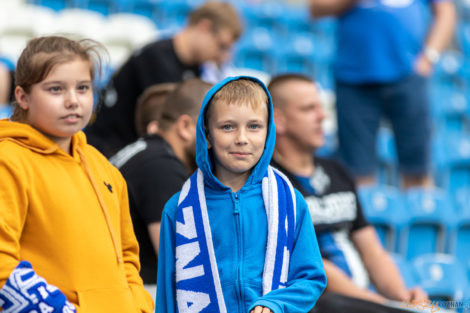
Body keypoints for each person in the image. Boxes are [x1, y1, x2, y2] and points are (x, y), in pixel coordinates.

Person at [0, 36, 153, 313]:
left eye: (83, 88)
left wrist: (138, 306)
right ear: (22, 96)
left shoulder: (104, 167)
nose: (73, 101)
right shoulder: (7, 162)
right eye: (56, 89)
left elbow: (128, 257)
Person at [156, 76, 327, 313]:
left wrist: (275, 304)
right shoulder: (179, 209)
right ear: (206, 135)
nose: (242, 138)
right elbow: (167, 297)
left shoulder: (289, 202)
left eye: (254, 126)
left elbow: (310, 278)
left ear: (269, 132)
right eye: (228, 126)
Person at [268, 73, 428, 313]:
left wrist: (404, 299)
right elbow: (313, 267)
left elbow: (373, 252)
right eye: (309, 109)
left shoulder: (337, 171)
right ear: (278, 121)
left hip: (366, 303)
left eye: (321, 107)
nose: (322, 116)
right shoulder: (270, 183)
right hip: (322, 304)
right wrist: (383, 306)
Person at [310, 0, 456, 189]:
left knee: (417, 170)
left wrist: (430, 57)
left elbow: (445, 11)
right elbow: (316, 9)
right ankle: (367, 218)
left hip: (408, 77)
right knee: (358, 172)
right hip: (354, 78)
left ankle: (422, 215)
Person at [86, 1, 243, 157]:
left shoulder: (194, 67)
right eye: (222, 46)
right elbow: (169, 131)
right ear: (204, 27)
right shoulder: (155, 57)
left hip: (134, 150)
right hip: (109, 151)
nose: (222, 56)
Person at [109, 78, 212, 288]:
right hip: (139, 292)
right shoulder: (161, 166)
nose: (221, 140)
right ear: (185, 127)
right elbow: (183, 264)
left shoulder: (145, 152)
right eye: (218, 127)